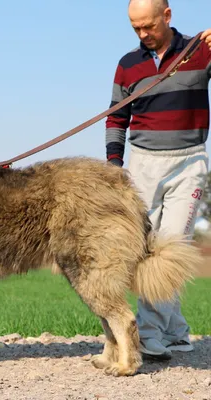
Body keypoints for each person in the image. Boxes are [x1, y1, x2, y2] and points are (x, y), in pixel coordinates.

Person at [105, 0, 211, 360]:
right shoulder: (127, 65)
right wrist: (114, 167)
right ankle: (177, 330)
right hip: (142, 165)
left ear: (167, 16)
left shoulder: (201, 50)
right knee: (141, 248)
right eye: (136, 27)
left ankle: (149, 335)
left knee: (173, 245)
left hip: (189, 162)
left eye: (148, 26)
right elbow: (115, 120)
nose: (143, 34)